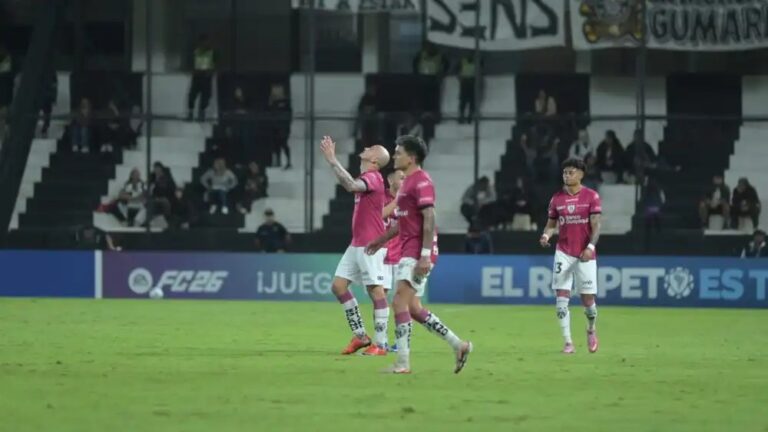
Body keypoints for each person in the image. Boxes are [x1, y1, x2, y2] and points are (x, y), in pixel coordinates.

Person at [366, 135, 473, 374]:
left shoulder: (422, 181)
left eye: (398, 152)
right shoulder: (408, 184)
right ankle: (459, 345)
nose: (394, 156)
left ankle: (402, 363)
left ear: (411, 158)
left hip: (417, 252)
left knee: (398, 302)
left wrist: (424, 255)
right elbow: (404, 223)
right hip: (410, 249)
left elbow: (429, 217)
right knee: (413, 308)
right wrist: (379, 240)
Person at [319, 135, 391, 356]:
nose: (367, 146)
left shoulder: (375, 178)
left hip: (371, 244)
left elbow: (350, 185)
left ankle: (380, 344)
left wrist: (332, 160)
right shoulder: (367, 177)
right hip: (357, 244)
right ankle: (361, 336)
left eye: (372, 148)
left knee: (375, 291)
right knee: (338, 287)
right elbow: (351, 183)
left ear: (375, 161)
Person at [539, 158, 602, 354]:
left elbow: (596, 225)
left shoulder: (591, 196)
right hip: (563, 253)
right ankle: (568, 343)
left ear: (581, 174)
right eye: (565, 172)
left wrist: (590, 247)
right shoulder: (557, 198)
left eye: (571, 172)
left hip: (585, 254)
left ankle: (591, 329)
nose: (566, 175)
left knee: (588, 301)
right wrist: (545, 235)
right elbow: (551, 224)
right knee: (561, 300)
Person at [187, 34, 215, 122]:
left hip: (205, 77)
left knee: (205, 97)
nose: (205, 44)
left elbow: (214, 65)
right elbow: (192, 63)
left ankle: (201, 114)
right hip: (198, 76)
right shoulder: (197, 52)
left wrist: (210, 71)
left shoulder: (211, 52)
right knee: (193, 95)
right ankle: (191, 113)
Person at [267, 84, 292, 169]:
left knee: (283, 143)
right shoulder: (272, 102)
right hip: (275, 127)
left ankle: (288, 161)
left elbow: (289, 113)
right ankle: (277, 162)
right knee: (275, 144)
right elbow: (270, 112)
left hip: (283, 127)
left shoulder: (285, 102)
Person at [457, 53, 478, 124]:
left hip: (472, 83)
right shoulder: (462, 61)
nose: (470, 56)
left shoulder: (477, 61)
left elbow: (480, 71)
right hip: (464, 83)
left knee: (472, 101)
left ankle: (470, 116)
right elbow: (457, 70)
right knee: (463, 100)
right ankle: (462, 115)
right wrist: (460, 77)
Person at [38, 68, 57, 138]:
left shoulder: (50, 73)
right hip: (45, 96)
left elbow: (54, 86)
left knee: (47, 114)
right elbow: (54, 86)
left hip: (45, 96)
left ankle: (44, 129)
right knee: (47, 114)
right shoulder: (51, 73)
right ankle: (44, 129)